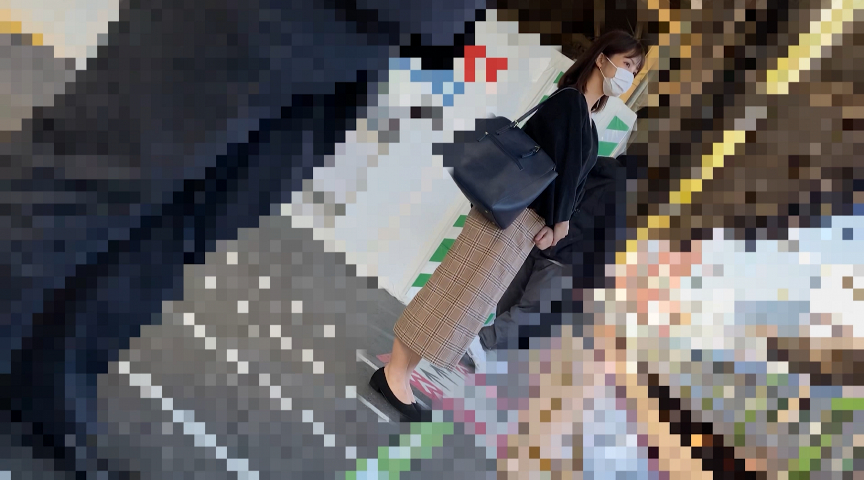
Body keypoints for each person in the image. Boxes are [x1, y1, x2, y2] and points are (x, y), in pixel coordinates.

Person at [370, 30, 646, 421]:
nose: (630, 75)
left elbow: (566, 178)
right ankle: (394, 374)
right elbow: (564, 175)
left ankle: (401, 374)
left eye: (636, 69)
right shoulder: (570, 102)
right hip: (508, 218)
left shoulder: (585, 116)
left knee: (462, 301)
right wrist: (561, 223)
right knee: (452, 291)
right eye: (627, 63)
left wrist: (555, 223)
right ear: (602, 59)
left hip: (519, 222)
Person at [467, 154, 627, 371]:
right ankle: (482, 341)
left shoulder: (597, 163)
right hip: (569, 256)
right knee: (535, 312)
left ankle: (485, 347)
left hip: (544, 236)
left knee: (514, 299)